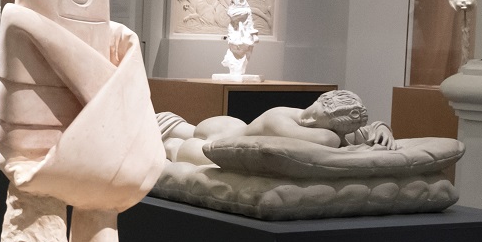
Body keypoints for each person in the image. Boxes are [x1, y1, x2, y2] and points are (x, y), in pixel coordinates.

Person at [159, 89, 397, 166]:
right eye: (312, 110)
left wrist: (382, 128)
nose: (308, 120)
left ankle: (163, 127)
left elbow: (365, 131)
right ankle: (159, 126)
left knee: (184, 133)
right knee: (176, 145)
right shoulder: (280, 120)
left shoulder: (331, 130)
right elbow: (330, 142)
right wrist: (346, 139)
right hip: (220, 140)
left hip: (229, 131)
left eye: (317, 120)